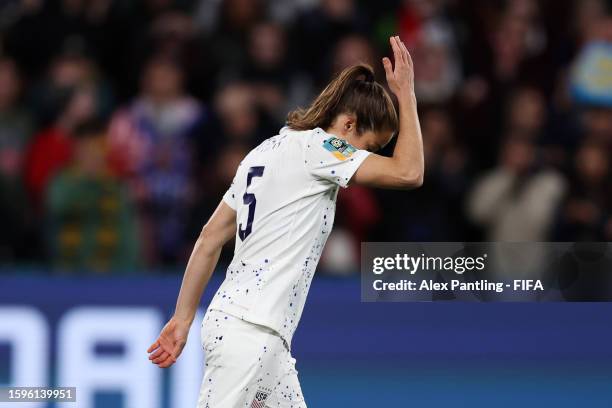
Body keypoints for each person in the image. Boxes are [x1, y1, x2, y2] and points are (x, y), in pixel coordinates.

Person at [147, 36, 423, 407]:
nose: (368, 158)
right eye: (370, 147)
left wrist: (183, 319)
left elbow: (209, 239)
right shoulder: (324, 147)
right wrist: (406, 95)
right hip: (249, 333)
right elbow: (409, 173)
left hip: (261, 337)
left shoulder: (264, 151)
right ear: (347, 125)